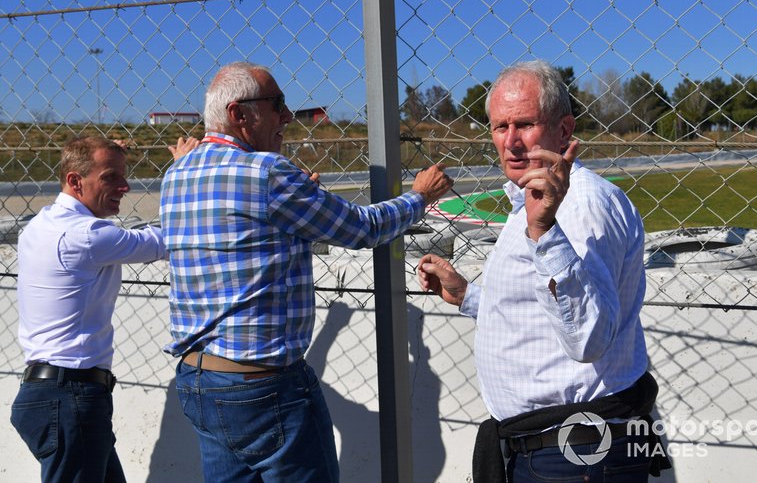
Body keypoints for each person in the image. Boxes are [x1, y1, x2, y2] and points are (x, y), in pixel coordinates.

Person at [159, 61, 453, 483]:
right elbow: (361, 229)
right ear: (239, 114)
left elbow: (243, 243)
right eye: (276, 104)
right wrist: (419, 197)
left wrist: (300, 199)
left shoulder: (176, 175)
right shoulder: (267, 173)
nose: (287, 117)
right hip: (263, 387)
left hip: (199, 379)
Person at [417, 60, 669, 482]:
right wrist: (468, 296)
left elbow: (588, 337)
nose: (511, 142)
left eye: (526, 124)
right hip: (555, 446)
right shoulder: (536, 199)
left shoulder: (580, 206)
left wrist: (545, 230)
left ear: (565, 130)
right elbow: (544, 313)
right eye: (500, 127)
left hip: (577, 450)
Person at [11, 134, 198, 482]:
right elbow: (171, 237)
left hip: (51, 395)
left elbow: (82, 164)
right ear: (74, 181)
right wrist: (183, 169)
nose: (125, 186)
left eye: (123, 175)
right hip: (70, 398)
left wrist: (99, 152)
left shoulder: (40, 226)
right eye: (111, 177)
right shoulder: (87, 236)